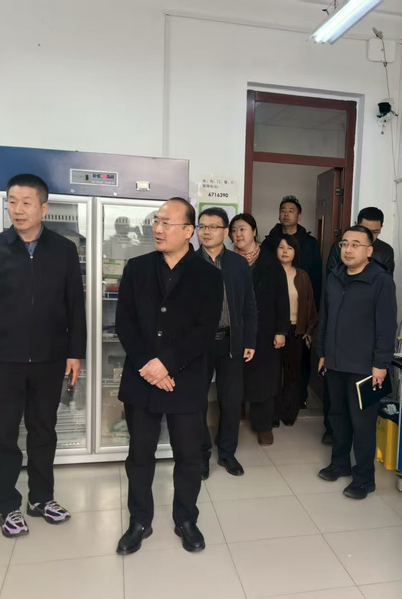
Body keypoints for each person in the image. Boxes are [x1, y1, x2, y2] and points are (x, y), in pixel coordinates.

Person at [0, 173, 86, 538]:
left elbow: (74, 306)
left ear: (44, 208)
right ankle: (6, 505)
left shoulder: (63, 250)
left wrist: (75, 353)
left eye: (26, 202)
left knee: (44, 431)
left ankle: (41, 498)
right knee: (3, 434)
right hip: (2, 361)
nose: (18, 209)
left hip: (49, 359)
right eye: (12, 202)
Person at [114, 198, 223, 555]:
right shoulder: (137, 268)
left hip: (185, 380)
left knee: (189, 456)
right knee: (139, 455)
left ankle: (186, 519)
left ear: (188, 231)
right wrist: (149, 364)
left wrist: (166, 364)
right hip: (142, 376)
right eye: (156, 222)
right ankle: (139, 520)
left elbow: (204, 330)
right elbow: (124, 322)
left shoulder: (209, 275)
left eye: (166, 223)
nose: (158, 229)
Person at [316, 225, 397, 500]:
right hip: (335, 362)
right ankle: (340, 463)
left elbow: (387, 326)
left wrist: (381, 364)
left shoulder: (380, 281)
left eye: (355, 244)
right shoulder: (334, 276)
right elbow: (325, 317)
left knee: (362, 424)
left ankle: (364, 479)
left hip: (365, 367)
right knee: (337, 417)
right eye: (344, 244)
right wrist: (323, 353)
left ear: (369, 251)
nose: (348, 250)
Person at [196, 207, 258, 479]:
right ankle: (201, 454)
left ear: (225, 232)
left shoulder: (237, 264)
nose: (206, 231)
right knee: (196, 401)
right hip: (196, 345)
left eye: (213, 227)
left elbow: (249, 305)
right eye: (202, 226)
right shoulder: (188, 261)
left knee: (231, 401)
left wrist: (250, 340)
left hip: (231, 342)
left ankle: (227, 453)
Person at [230, 213, 289, 446]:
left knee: (263, 378)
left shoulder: (269, 261)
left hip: (264, 329)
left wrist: (281, 330)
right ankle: (231, 424)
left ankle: (263, 425)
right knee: (234, 378)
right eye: (234, 230)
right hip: (235, 328)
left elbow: (281, 298)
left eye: (242, 229)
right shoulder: (227, 260)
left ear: (254, 231)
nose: (238, 234)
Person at [274, 234, 318, 427]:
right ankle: (272, 414)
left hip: (296, 330)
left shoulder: (302, 276)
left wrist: (309, 329)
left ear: (295, 252)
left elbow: (309, 304)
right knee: (273, 374)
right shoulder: (269, 273)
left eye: (289, 248)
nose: (285, 251)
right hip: (274, 330)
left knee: (293, 374)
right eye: (281, 247)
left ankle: (289, 413)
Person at [261, 195, 322, 303]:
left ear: (299, 217)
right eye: (283, 211)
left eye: (291, 211)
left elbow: (316, 276)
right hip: (273, 296)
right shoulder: (269, 242)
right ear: (279, 216)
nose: (286, 214)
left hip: (301, 297)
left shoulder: (310, 243)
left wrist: (314, 303)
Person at [325, 206, 395, 275]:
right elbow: (332, 276)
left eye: (375, 232)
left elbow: (387, 279)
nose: (370, 235)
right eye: (365, 230)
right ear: (356, 225)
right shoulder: (339, 247)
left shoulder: (386, 250)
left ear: (381, 227)